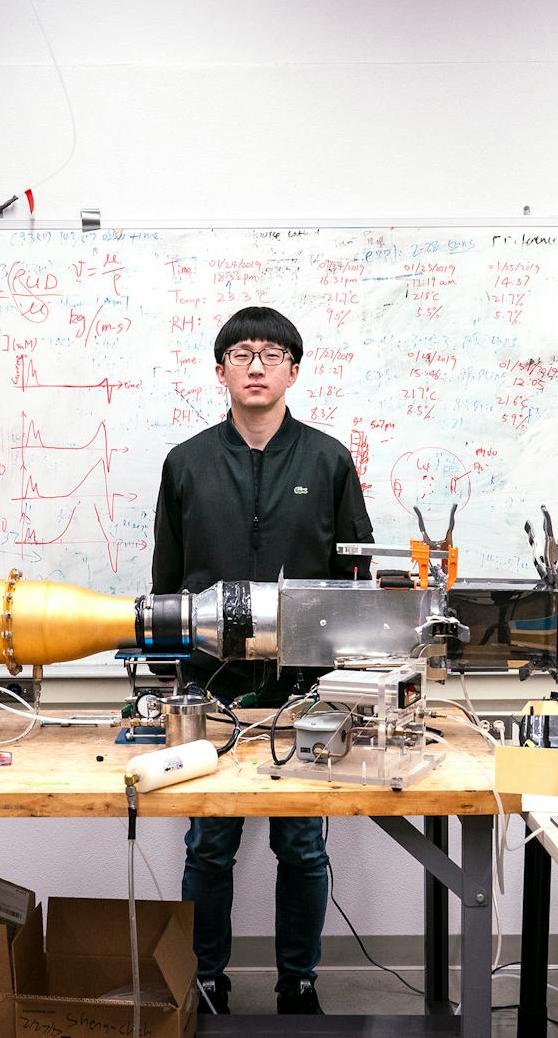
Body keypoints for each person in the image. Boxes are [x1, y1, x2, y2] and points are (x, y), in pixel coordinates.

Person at [151, 306, 374, 1015]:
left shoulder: (329, 460)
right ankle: (205, 977)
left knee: (302, 846)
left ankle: (298, 980)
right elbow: (166, 580)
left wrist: (352, 681)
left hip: (306, 692)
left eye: (271, 354)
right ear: (220, 370)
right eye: (241, 353)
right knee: (208, 846)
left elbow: (357, 582)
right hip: (208, 693)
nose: (256, 365)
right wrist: (166, 682)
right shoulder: (185, 462)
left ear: (293, 371)